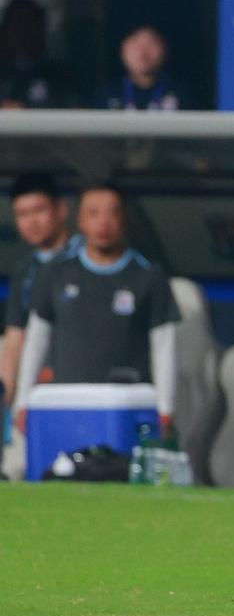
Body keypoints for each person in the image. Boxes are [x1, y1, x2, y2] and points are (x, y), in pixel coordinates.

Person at [14, 184, 179, 437]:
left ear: (124, 219)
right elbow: (37, 338)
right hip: (67, 402)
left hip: (125, 405)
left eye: (112, 213)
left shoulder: (148, 275)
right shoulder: (56, 272)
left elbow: (164, 344)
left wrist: (166, 407)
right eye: (93, 213)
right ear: (80, 220)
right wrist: (23, 401)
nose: (103, 223)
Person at [0, 173, 83, 406]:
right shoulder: (25, 271)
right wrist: (6, 395)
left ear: (62, 210)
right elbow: (15, 336)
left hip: (83, 387)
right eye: (22, 214)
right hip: (37, 390)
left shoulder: (90, 259)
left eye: (39, 210)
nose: (31, 222)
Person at [0, 0, 78, 109]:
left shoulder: (59, 76)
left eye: (29, 24)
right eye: (17, 23)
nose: (23, 32)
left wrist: (27, 110)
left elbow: (77, 110)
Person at [99, 26, 187, 111]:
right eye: (136, 44)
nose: (143, 53)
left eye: (151, 44)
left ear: (164, 49)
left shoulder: (182, 96)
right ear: (123, 50)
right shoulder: (105, 96)